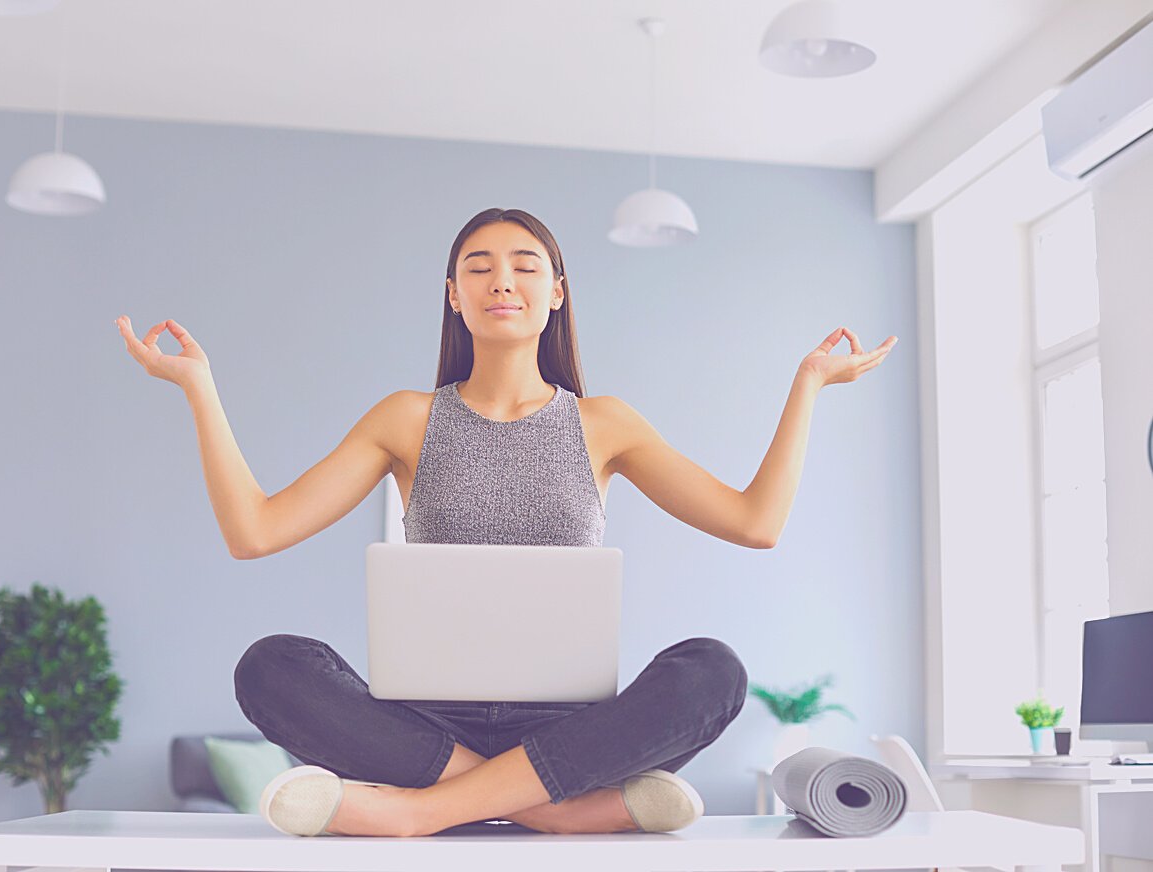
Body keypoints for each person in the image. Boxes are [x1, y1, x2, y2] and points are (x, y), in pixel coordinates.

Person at [115, 207, 897, 838]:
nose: (502, 280)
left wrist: (809, 385)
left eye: (526, 266)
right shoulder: (405, 418)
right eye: (478, 267)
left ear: (558, 293)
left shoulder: (604, 424)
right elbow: (254, 531)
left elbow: (755, 522)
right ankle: (558, 810)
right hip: (428, 724)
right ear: (452, 295)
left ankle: (421, 811)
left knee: (712, 670)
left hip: (565, 722)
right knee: (270, 665)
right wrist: (199, 389)